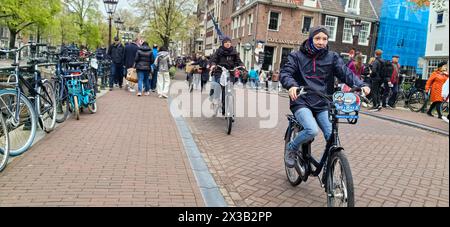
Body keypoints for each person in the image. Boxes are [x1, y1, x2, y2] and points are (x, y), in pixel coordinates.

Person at [280, 25, 370, 168]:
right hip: (302, 101)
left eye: (324, 39)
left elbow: (345, 73)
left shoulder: (332, 57)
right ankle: (292, 147)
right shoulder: (296, 56)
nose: (321, 42)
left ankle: (331, 166)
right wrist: (291, 85)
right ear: (310, 39)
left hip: (323, 102)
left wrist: (361, 84)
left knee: (332, 137)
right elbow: (286, 73)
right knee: (311, 130)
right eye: (317, 38)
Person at [209, 36, 244, 115]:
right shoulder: (219, 51)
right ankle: (216, 100)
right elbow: (214, 60)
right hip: (219, 72)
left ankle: (229, 105)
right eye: (226, 42)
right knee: (219, 85)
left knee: (229, 88)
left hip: (230, 72)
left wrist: (242, 66)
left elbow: (238, 61)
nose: (228, 44)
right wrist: (213, 65)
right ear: (223, 43)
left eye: (229, 42)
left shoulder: (234, 52)